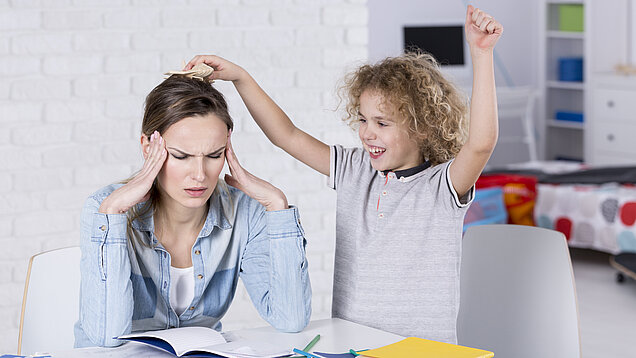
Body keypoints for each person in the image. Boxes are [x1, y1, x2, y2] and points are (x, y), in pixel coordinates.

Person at [184, 5, 502, 344]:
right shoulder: (355, 169)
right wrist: (240, 77)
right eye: (363, 120)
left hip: (423, 350)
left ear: (422, 128)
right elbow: (286, 136)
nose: (367, 133)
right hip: (352, 346)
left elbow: (481, 145)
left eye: (382, 123)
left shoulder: (441, 186)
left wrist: (481, 55)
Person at [74, 74, 311, 348]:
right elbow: (106, 336)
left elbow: (290, 319)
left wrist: (278, 206)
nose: (200, 175)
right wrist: (113, 213)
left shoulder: (245, 213)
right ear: (148, 147)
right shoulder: (105, 208)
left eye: (213, 155)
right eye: (181, 156)